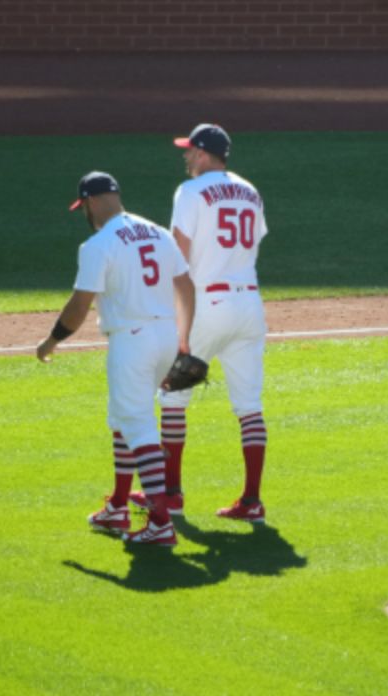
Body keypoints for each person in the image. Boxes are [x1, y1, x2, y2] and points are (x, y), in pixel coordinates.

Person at [37, 171, 195, 547]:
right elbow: (186, 286)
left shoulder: (98, 245)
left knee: (139, 427)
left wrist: (51, 341)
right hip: (166, 337)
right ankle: (119, 506)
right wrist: (184, 337)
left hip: (131, 342)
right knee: (123, 419)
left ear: (89, 203)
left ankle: (159, 522)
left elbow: (79, 306)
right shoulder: (158, 232)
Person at [129, 123, 271, 524]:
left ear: (206, 153)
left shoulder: (189, 192)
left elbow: (178, 254)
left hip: (208, 302)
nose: (186, 156)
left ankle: (171, 494)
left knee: (172, 397)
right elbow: (253, 244)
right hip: (249, 303)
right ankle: (252, 500)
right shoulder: (251, 190)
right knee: (249, 406)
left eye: (190, 150)